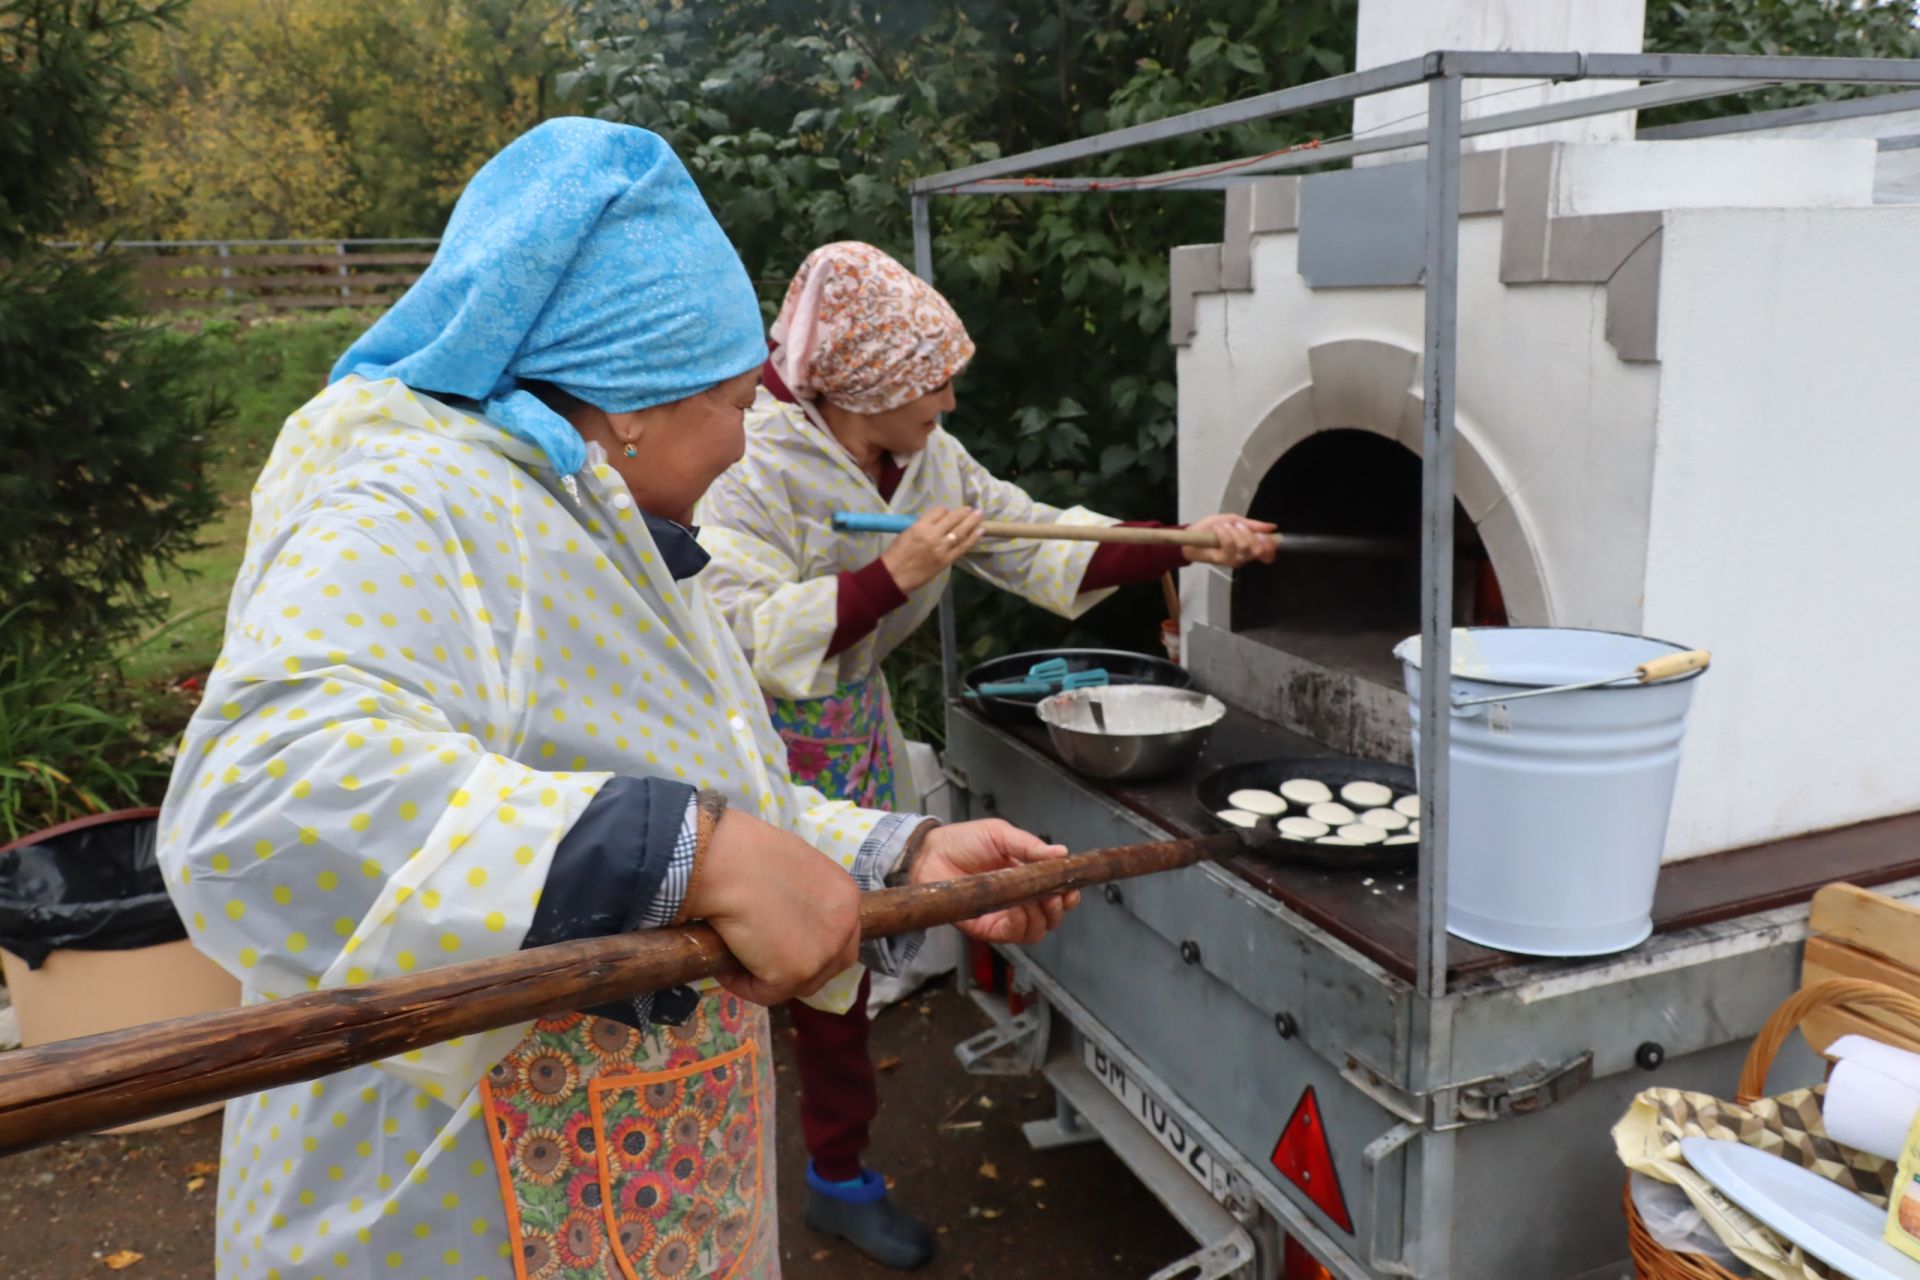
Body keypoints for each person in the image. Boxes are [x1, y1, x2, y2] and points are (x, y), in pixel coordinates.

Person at [156, 120, 1075, 1280]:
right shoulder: (413, 501)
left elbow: (715, 790)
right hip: (448, 1216)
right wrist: (692, 853)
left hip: (631, 1199)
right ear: (633, 398)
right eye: (737, 402)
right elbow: (256, 803)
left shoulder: (607, 517)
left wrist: (899, 855)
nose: (748, 446)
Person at [697, 241, 1275, 1267]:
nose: (952, 401)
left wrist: (1182, 540)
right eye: (933, 380)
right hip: (753, 740)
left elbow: (1031, 537)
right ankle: (724, 1177)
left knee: (841, 954)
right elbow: (735, 629)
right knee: (736, 959)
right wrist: (893, 572)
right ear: (866, 384)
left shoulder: (926, 460)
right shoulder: (751, 460)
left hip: (851, 725)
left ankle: (834, 1171)